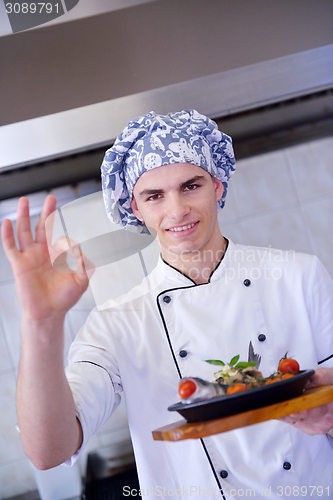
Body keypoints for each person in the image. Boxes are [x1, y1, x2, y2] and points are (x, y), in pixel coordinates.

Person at [2, 109, 333, 500]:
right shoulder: (117, 321)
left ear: (218, 185)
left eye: (190, 186)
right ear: (136, 209)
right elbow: (48, 451)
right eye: (154, 196)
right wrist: (42, 322)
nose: (176, 210)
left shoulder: (298, 276)